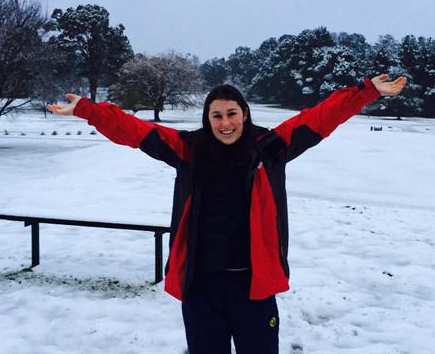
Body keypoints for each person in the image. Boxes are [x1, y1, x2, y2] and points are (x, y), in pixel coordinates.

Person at [47, 74, 406, 354]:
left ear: (244, 114)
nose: (225, 123)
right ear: (208, 119)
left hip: (253, 287)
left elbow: (319, 118)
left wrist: (365, 91)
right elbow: (136, 131)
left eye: (231, 113)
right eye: (216, 116)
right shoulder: (187, 150)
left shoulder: (270, 147)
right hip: (201, 288)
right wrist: (87, 110)